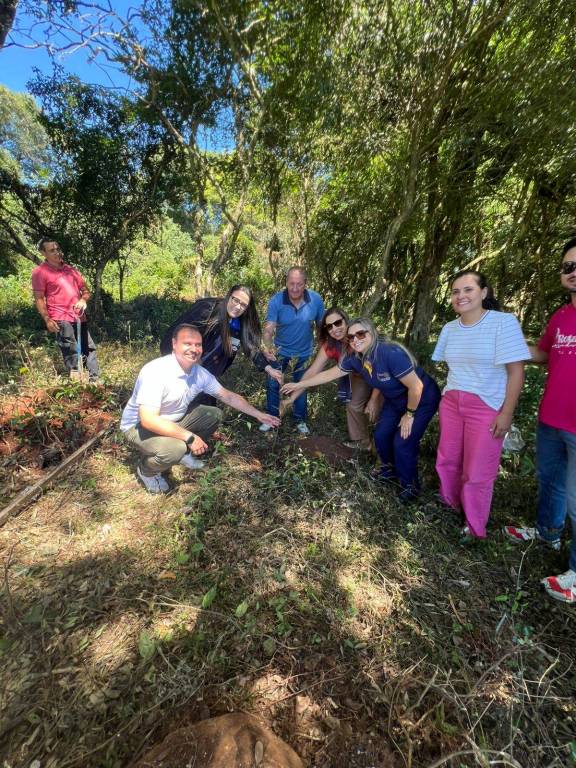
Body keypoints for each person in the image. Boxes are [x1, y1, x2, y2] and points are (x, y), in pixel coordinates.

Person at [282, 318, 440, 502]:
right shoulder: (355, 358)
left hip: (421, 400)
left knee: (402, 441)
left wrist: (409, 414)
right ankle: (388, 469)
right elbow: (329, 374)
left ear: (372, 333)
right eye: (351, 337)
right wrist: (299, 384)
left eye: (360, 334)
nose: (355, 339)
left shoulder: (389, 353)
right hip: (395, 399)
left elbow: (416, 386)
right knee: (381, 435)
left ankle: (410, 485)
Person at [121, 324, 280, 494]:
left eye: (198, 344)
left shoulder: (199, 373)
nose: (194, 349)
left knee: (213, 414)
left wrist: (259, 414)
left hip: (172, 421)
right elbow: (149, 419)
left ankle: (180, 452)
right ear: (174, 344)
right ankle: (147, 471)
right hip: (137, 427)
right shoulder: (156, 371)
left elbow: (228, 396)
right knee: (175, 449)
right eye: (187, 343)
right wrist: (189, 437)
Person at [504, 240, 576, 603]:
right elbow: (542, 354)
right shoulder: (561, 316)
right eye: (567, 266)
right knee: (551, 481)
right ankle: (548, 532)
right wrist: (506, 341)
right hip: (551, 419)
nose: (573, 272)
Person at [432, 270, 529, 540]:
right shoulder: (450, 328)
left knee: (478, 470)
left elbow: (517, 372)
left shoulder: (503, 322)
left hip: (486, 405)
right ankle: (449, 503)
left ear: (483, 292)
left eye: (468, 290)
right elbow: (452, 367)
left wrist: (506, 413)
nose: (460, 296)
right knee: (447, 458)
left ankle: (474, 526)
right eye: (455, 291)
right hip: (452, 401)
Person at [159, 285, 283, 406]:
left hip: (208, 377)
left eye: (243, 305)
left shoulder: (240, 323)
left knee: (208, 413)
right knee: (171, 406)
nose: (238, 307)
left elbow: (251, 347)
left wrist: (268, 368)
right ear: (229, 296)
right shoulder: (207, 309)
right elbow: (175, 335)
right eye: (235, 300)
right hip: (183, 370)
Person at [281, 307, 381, 450]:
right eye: (329, 326)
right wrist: (291, 398)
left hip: (380, 374)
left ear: (346, 320)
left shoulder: (359, 336)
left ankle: (383, 442)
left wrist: (373, 399)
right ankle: (363, 442)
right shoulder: (331, 344)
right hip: (357, 374)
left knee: (379, 406)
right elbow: (314, 371)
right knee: (353, 405)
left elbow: (381, 371)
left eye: (338, 323)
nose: (334, 329)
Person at [260, 267, 325, 435]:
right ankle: (272, 417)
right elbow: (268, 329)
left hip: (304, 353)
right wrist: (268, 347)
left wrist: (321, 350)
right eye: (291, 284)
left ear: (305, 284)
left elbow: (321, 327)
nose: (295, 288)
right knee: (273, 383)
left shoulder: (316, 300)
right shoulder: (276, 301)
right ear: (286, 283)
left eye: (299, 284)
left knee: (301, 384)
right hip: (280, 352)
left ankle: (300, 420)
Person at [31, 237, 100, 380]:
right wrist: (47, 319)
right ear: (43, 253)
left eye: (57, 249)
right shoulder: (40, 272)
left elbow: (86, 291)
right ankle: (78, 384)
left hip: (79, 317)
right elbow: (39, 298)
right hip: (60, 317)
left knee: (89, 348)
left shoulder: (70, 269)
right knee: (71, 351)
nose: (57, 252)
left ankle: (95, 381)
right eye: (52, 250)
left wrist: (83, 300)